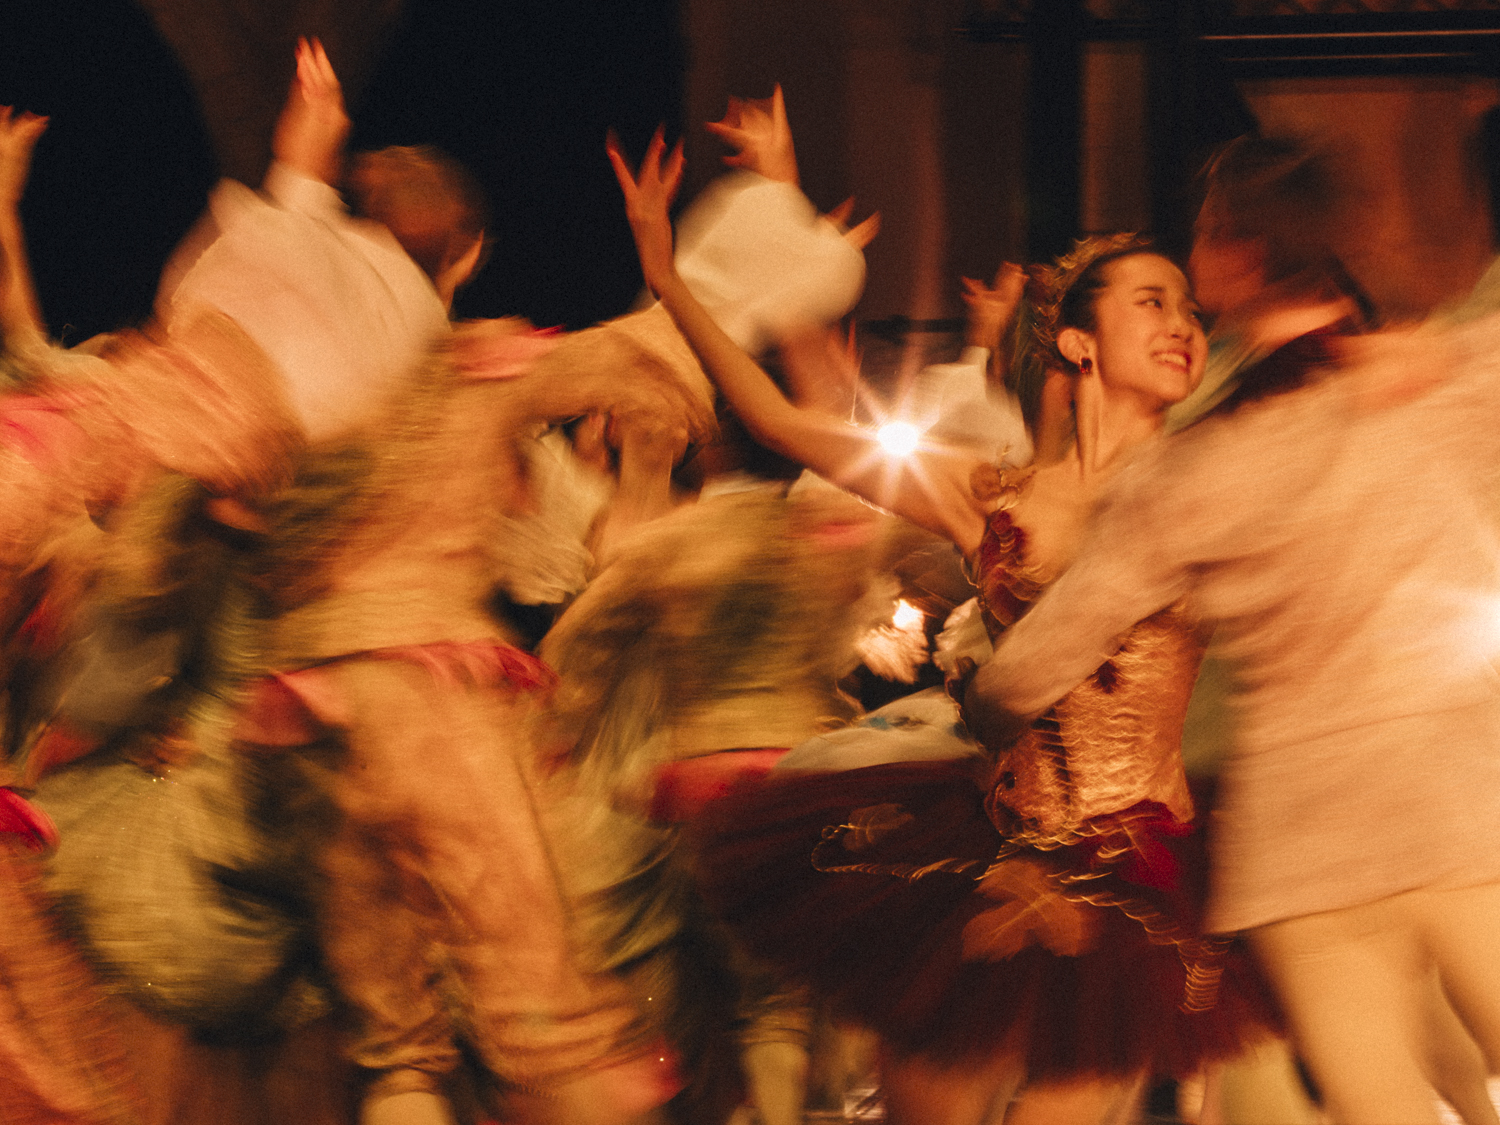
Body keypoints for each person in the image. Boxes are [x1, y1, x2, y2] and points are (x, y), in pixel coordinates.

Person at [610, 121, 1276, 1125]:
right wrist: (670, 277)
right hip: (984, 850)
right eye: (1154, 301)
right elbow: (793, 427)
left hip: (1138, 873)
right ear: (1078, 340)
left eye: (1188, 306)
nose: (1183, 322)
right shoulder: (993, 493)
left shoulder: (1204, 489)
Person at [965, 135, 1500, 1125]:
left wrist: (985, 702)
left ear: (1239, 253)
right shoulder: (1453, 378)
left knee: (1380, 1105)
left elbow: (1044, 654)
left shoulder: (1202, 468)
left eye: (1204, 233)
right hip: (1461, 809)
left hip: (1309, 851)